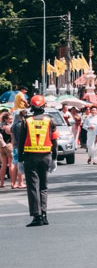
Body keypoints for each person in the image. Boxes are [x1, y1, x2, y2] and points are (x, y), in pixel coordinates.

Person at [14, 95, 58, 227]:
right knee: (44, 186)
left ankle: (37, 215)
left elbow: (21, 142)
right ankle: (44, 215)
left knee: (33, 186)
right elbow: (54, 141)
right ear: (44, 106)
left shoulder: (26, 121)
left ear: (31, 107)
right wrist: (55, 158)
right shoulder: (50, 121)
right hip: (45, 156)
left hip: (30, 157)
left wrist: (20, 160)